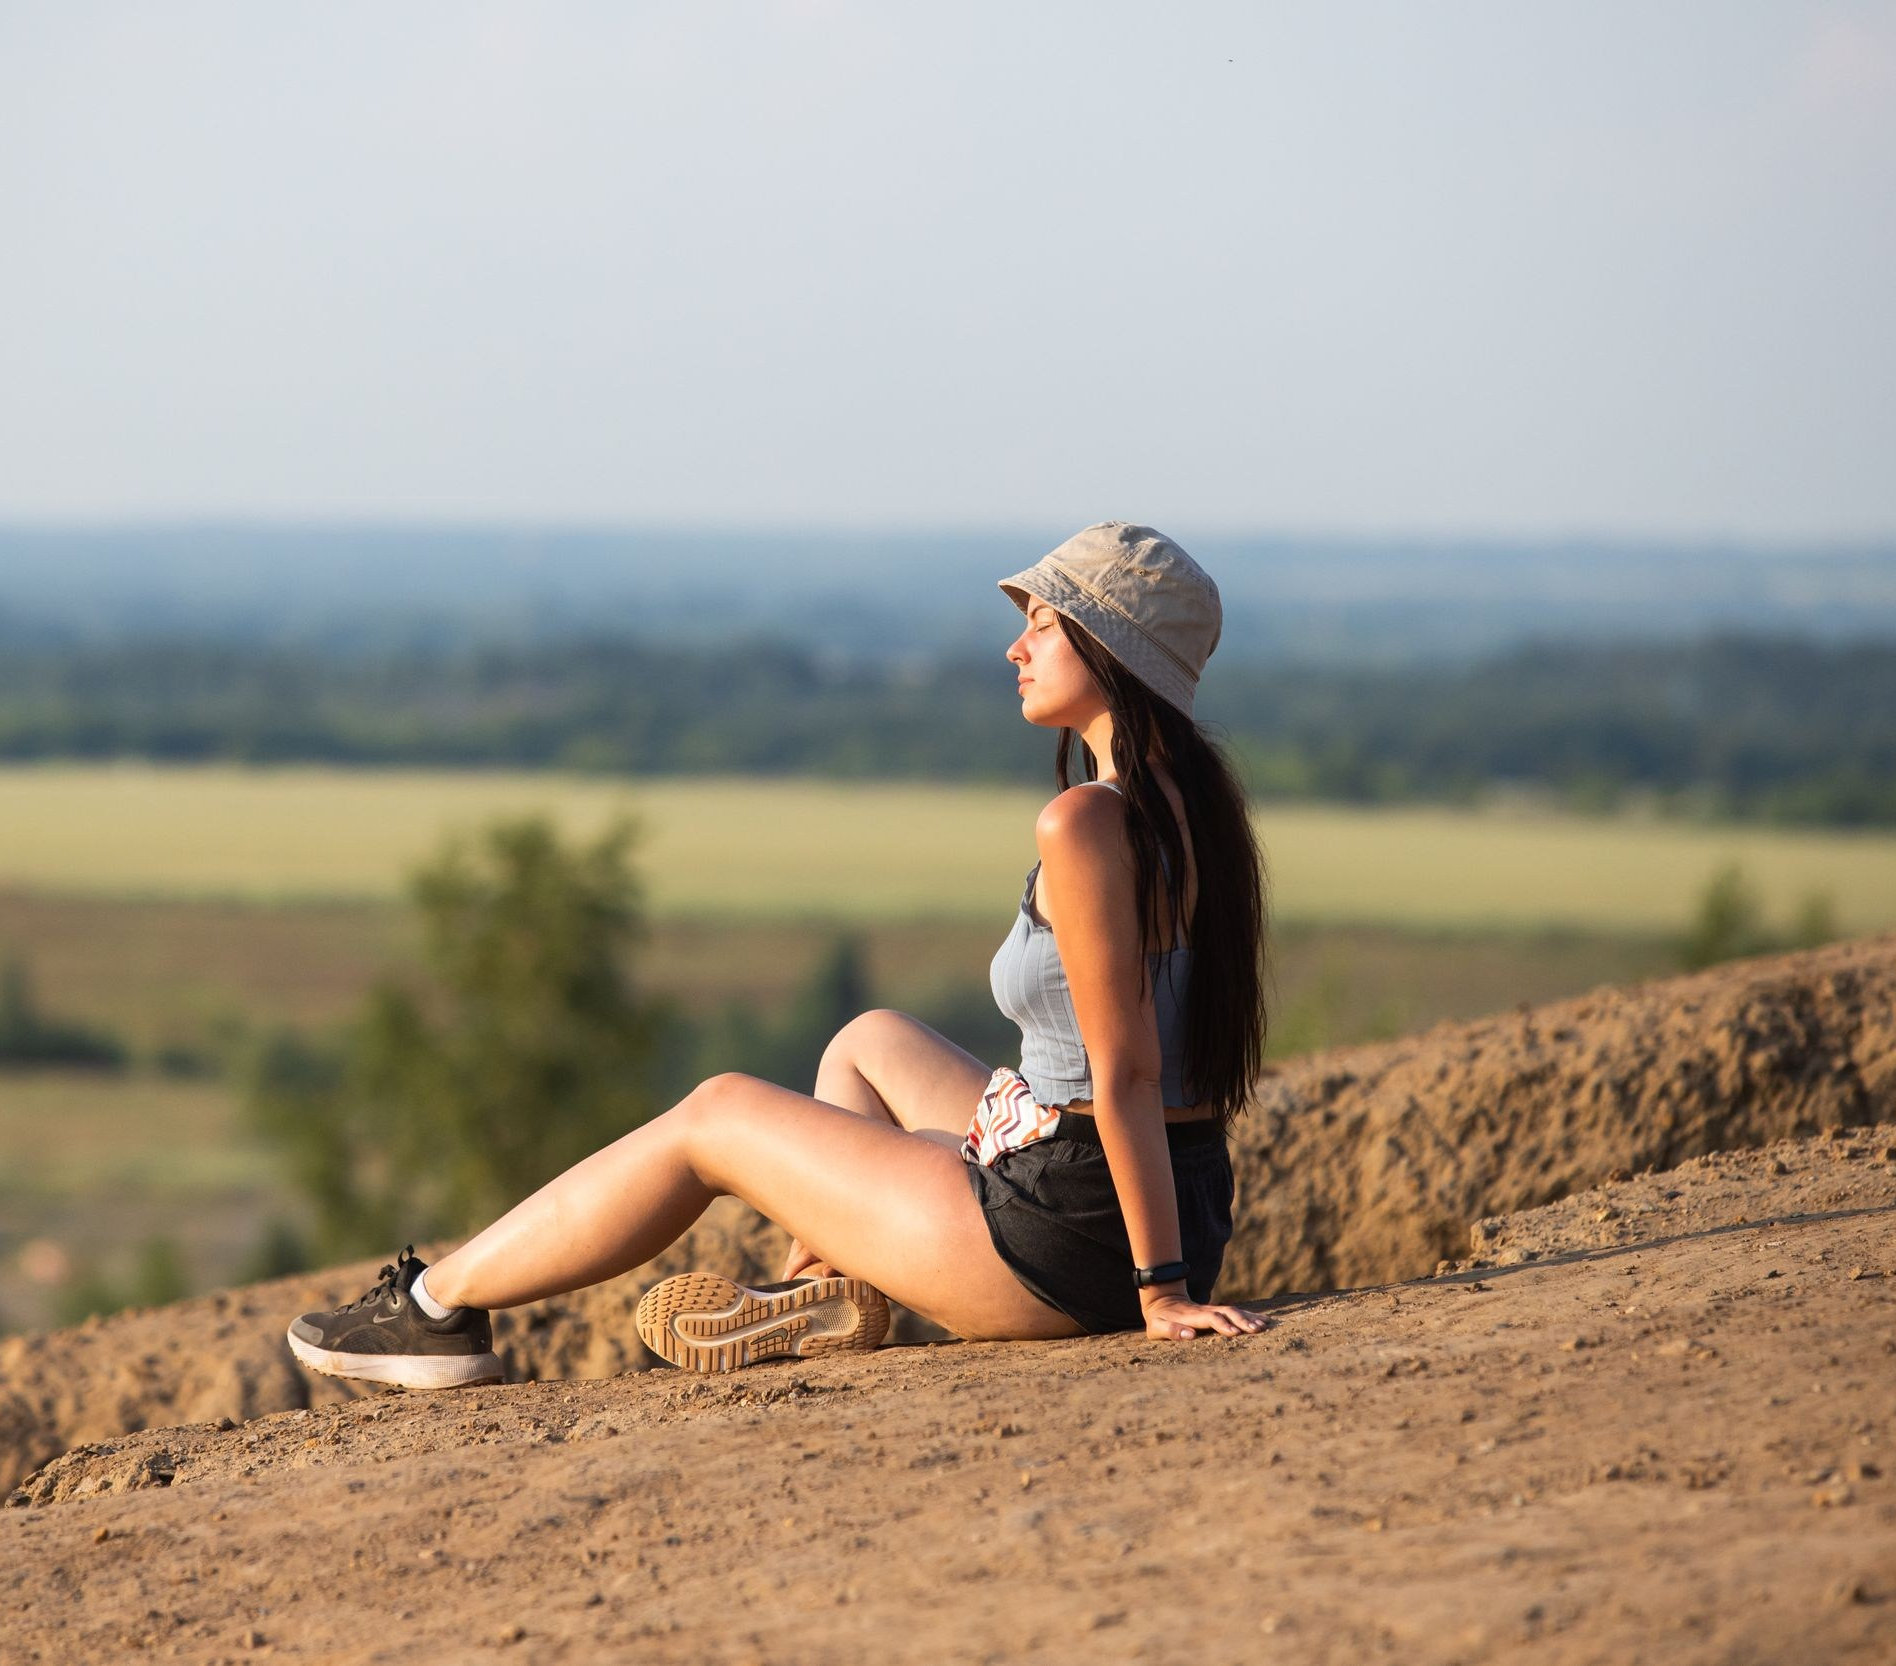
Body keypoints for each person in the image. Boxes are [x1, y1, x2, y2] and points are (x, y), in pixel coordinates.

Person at [285, 523, 1272, 1390]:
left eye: (1044, 625)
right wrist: (1174, 1261)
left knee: (712, 1114)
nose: (1014, 646)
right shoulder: (1196, 808)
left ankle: (434, 1309)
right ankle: (820, 1288)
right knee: (868, 1041)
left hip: (1072, 1233)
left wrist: (1158, 1292)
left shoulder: (1085, 823)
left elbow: (1126, 1072)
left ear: (1111, 648)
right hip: (1166, 1199)